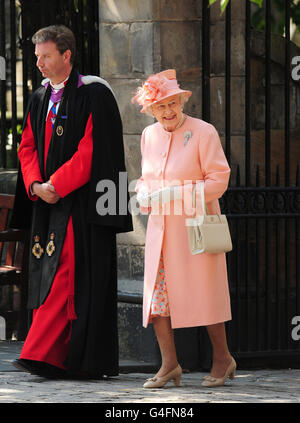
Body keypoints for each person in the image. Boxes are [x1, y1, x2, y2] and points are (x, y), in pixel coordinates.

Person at [11, 25, 132, 379]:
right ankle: (51, 355)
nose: (39, 64)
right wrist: (35, 184)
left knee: (67, 278)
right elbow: (27, 146)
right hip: (46, 204)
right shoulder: (39, 97)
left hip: (81, 208)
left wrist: (56, 185)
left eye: (46, 56)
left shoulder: (94, 94)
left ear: (66, 56)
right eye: (37, 57)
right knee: (48, 275)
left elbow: (91, 151)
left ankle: (45, 353)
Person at [132, 69, 236, 388]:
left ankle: (223, 359)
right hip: (161, 231)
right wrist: (142, 192)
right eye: (160, 106)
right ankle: (169, 365)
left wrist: (178, 193)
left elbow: (219, 180)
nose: (167, 111)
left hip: (196, 227)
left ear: (181, 101)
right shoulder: (149, 135)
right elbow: (145, 179)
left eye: (172, 103)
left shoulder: (203, 132)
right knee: (158, 300)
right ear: (151, 110)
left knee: (206, 294)